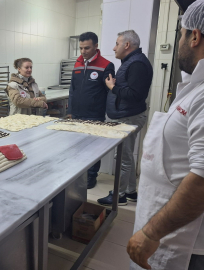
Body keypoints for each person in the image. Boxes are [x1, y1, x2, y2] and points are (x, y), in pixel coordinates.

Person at [127, 2, 204, 269]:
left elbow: (202, 180)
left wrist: (151, 233)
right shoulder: (194, 86)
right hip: (164, 226)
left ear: (194, 36)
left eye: (181, 34)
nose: (179, 42)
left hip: (183, 243)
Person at [97, 30, 153, 206]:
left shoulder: (137, 64)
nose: (114, 48)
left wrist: (112, 87)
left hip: (128, 117)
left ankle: (118, 196)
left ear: (127, 45)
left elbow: (135, 94)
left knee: (121, 157)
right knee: (126, 155)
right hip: (125, 116)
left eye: (117, 43)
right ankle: (130, 191)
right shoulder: (130, 62)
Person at [66, 31, 115, 189]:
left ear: (96, 46)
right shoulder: (77, 63)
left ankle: (91, 176)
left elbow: (109, 91)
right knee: (77, 146)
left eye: (86, 48)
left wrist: (107, 112)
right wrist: (71, 110)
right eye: (81, 48)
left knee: (93, 147)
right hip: (77, 113)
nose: (83, 51)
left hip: (94, 114)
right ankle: (78, 174)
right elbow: (72, 89)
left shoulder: (106, 65)